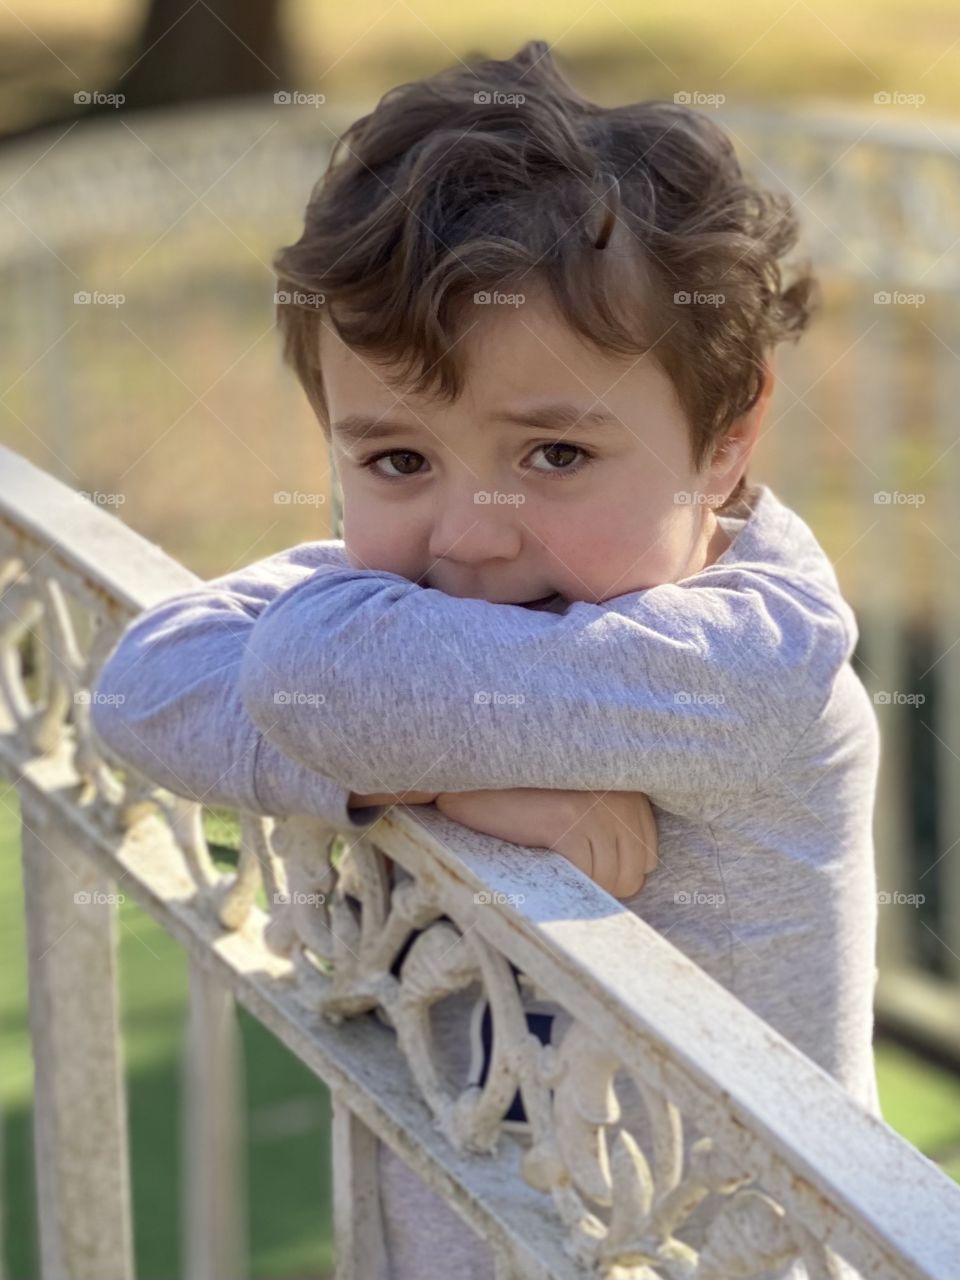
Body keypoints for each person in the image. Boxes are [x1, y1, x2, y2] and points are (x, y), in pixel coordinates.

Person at [91, 38, 881, 1280]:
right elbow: (141, 682)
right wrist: (468, 788)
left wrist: (392, 748)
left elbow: (317, 675)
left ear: (725, 440)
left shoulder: (751, 667)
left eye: (555, 455)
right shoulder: (415, 612)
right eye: (398, 460)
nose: (468, 537)